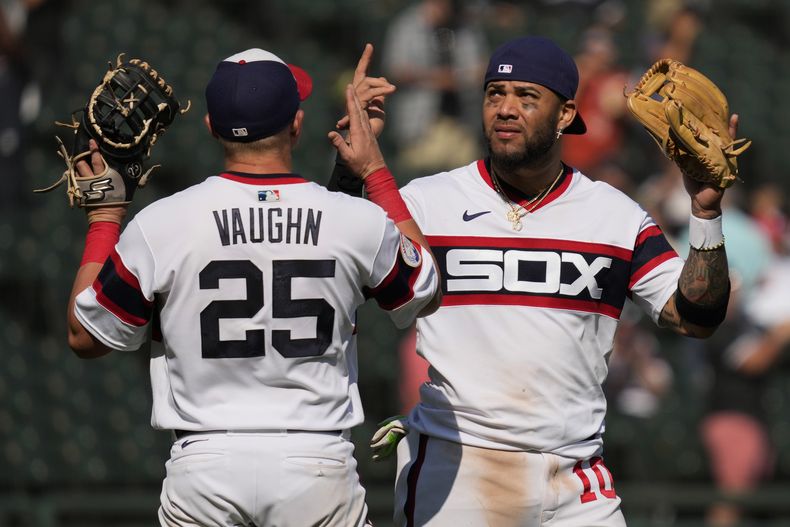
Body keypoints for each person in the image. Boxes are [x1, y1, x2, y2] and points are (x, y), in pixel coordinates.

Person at [337, 35, 734, 526]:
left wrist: (705, 214)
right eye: (494, 93)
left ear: (566, 114)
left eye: (527, 96)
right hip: (459, 468)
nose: (505, 108)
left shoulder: (615, 215)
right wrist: (351, 166)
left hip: (577, 475)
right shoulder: (426, 201)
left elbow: (696, 316)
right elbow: (338, 262)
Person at [65, 45, 440, 527]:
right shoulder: (356, 221)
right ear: (298, 124)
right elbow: (423, 289)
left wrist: (104, 217)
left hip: (205, 465)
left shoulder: (162, 223)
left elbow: (85, 336)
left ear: (211, 129)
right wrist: (372, 171)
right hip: (316, 462)